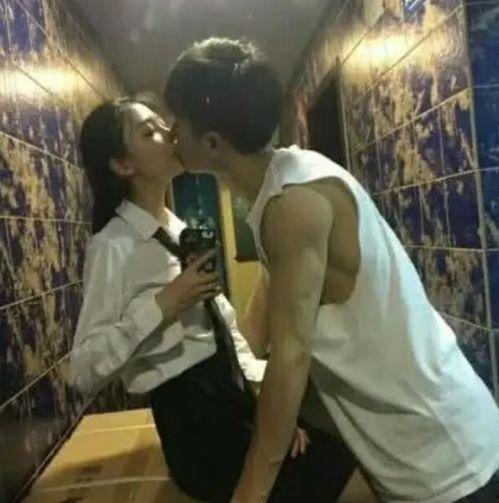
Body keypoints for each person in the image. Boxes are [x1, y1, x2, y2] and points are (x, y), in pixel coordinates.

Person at [164, 37, 499, 503]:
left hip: (444, 460)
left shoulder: (293, 203)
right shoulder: (280, 187)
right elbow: (260, 329)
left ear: (213, 143)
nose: (169, 134)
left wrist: (248, 494)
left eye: (177, 124)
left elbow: (291, 356)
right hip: (413, 457)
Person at [70, 94, 356, 503]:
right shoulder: (112, 246)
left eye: (163, 124)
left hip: (231, 402)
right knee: (336, 474)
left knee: (337, 451)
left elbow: (222, 323)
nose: (169, 133)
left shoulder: (177, 229)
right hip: (193, 429)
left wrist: (267, 407)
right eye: (149, 132)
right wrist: (165, 304)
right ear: (122, 165)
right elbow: (82, 370)